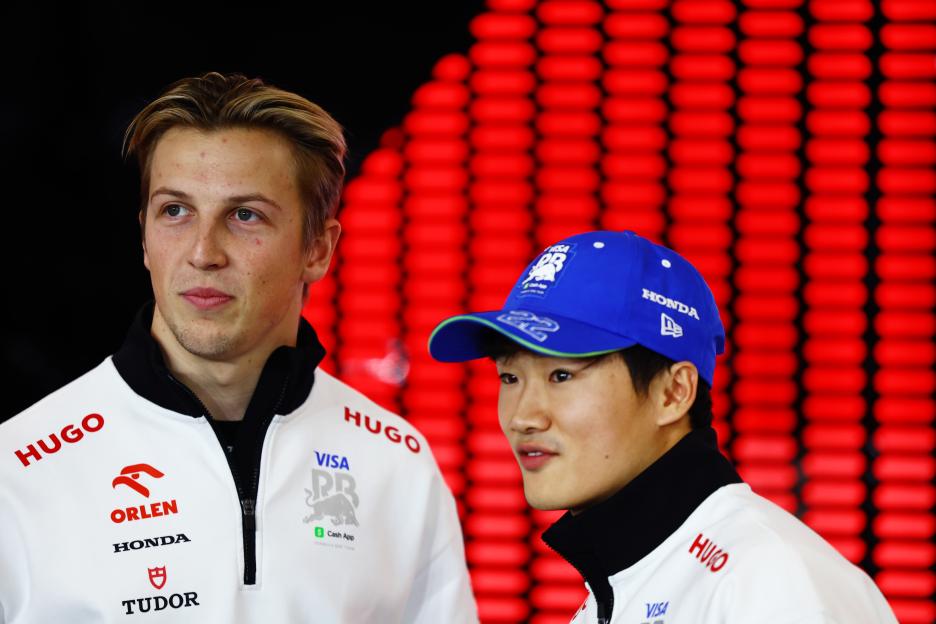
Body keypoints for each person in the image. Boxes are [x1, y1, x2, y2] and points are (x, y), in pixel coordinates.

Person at [0, 72, 477, 623]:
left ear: (318, 249)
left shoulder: (398, 463)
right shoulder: (20, 467)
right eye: (175, 211)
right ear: (144, 236)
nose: (204, 252)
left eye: (245, 215)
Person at [428, 230, 897, 623]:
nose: (522, 416)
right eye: (509, 377)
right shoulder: (618, 588)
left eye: (562, 376)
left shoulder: (770, 580)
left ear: (674, 393)